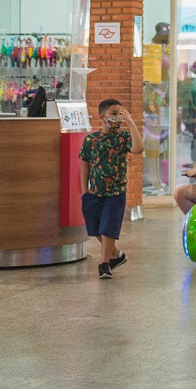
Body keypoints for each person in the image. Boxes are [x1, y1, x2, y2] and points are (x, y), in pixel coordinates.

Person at [80, 99, 144, 279]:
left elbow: (138, 148)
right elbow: (84, 164)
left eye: (119, 114)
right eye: (113, 114)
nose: (117, 118)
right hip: (94, 192)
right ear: (102, 118)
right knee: (95, 229)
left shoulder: (123, 138)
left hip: (115, 192)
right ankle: (116, 256)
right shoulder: (91, 140)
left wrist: (131, 122)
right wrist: (84, 191)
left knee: (108, 227)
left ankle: (104, 264)